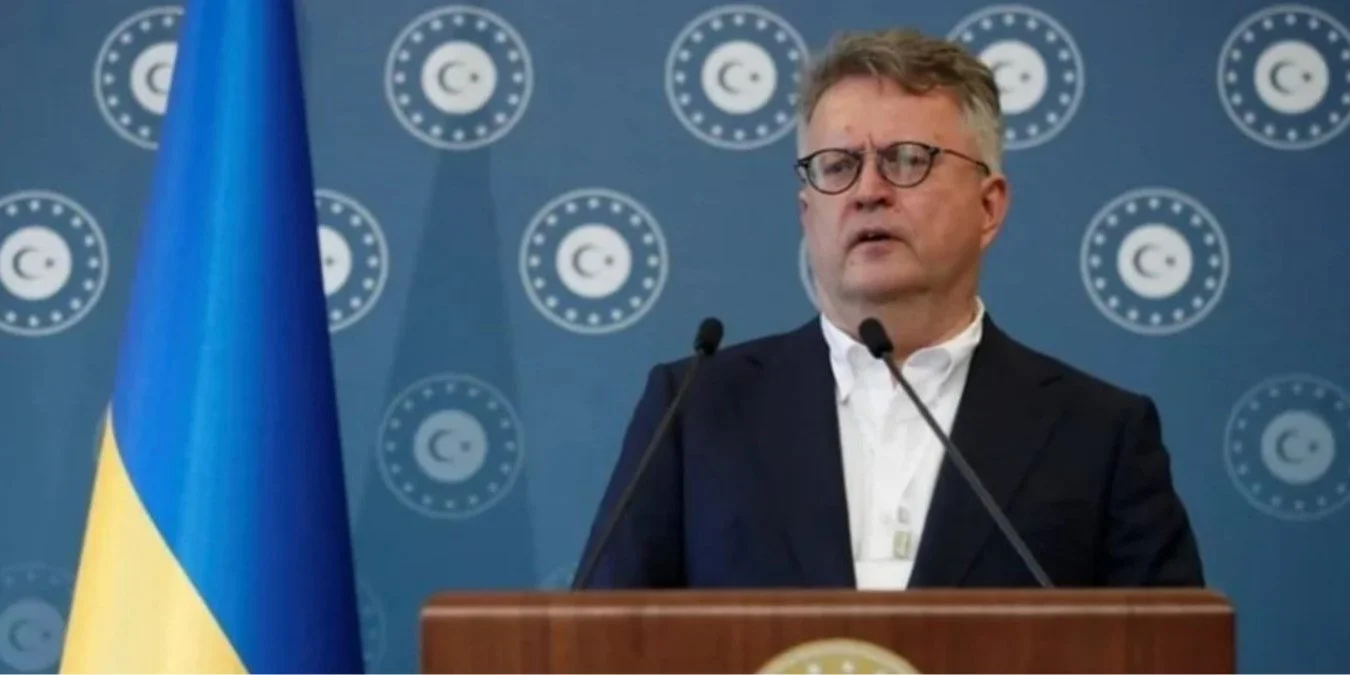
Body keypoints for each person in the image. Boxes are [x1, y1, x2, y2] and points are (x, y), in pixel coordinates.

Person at [578, 28, 1204, 589]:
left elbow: (1169, 656)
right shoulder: (695, 410)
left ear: (988, 207)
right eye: (837, 166)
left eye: (908, 160)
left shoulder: (1099, 434)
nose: (868, 192)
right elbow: (597, 650)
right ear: (807, 214)